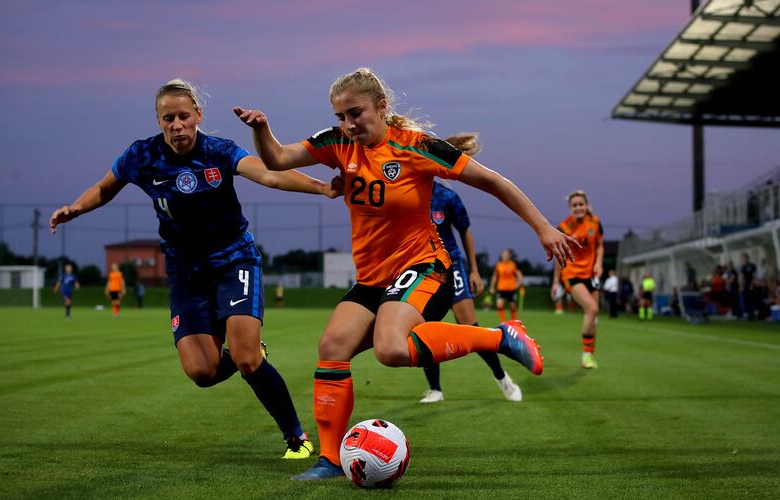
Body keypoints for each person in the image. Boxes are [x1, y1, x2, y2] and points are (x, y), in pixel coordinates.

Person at [236, 67, 578, 480]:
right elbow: (277, 159)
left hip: (424, 265)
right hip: (372, 278)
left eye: (355, 113)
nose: (347, 124)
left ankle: (500, 337)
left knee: (391, 348)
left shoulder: (417, 147)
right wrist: (262, 128)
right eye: (340, 116)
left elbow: (491, 181)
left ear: (382, 107)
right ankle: (329, 460)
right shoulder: (337, 142)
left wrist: (542, 227)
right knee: (332, 346)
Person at [50, 79, 341, 459]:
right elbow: (106, 187)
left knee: (247, 358)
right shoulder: (142, 156)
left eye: (184, 116)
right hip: (185, 274)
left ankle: (296, 438)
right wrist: (76, 207)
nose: (177, 125)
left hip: (233, 261)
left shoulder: (218, 152)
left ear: (198, 116)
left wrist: (320, 188)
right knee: (201, 372)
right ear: (159, 121)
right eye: (168, 118)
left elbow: (268, 174)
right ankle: (247, 355)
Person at [418, 132, 521, 404]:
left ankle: (502, 378)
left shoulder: (447, 197)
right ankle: (435, 390)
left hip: (452, 266)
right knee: (426, 329)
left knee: (470, 326)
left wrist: (474, 270)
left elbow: (465, 232)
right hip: (424, 270)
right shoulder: (410, 193)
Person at [552, 190, 604, 369]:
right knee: (592, 308)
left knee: (593, 315)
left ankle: (590, 355)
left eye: (581, 204)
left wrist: (599, 264)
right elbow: (559, 255)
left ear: (586, 205)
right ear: (570, 208)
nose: (578, 208)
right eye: (574, 205)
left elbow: (599, 247)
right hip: (571, 274)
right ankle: (585, 356)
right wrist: (555, 282)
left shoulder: (595, 223)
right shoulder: (564, 227)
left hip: (591, 274)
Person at [489, 249, 524, 323]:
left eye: (507, 255)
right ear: (501, 256)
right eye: (504, 255)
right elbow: (495, 276)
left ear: (509, 256)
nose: (505, 256)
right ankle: (503, 322)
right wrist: (492, 287)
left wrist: (518, 284)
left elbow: (519, 274)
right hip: (501, 288)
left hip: (511, 289)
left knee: (512, 306)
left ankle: (514, 322)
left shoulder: (512, 264)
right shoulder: (499, 265)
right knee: (499, 305)